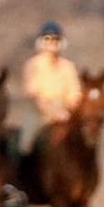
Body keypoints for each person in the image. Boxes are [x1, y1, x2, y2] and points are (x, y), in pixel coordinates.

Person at [19, 20, 82, 155]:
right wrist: (54, 113)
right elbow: (34, 96)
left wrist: (68, 111)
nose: (52, 42)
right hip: (39, 112)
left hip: (65, 111)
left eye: (55, 39)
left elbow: (75, 93)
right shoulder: (33, 64)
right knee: (25, 142)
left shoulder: (68, 66)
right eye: (48, 39)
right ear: (41, 42)